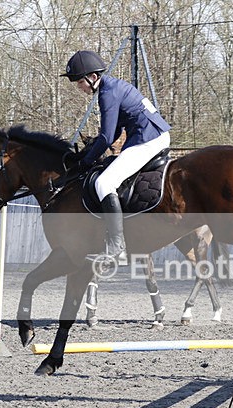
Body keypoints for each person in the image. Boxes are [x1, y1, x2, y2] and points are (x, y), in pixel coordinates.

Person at [61, 50, 171, 261]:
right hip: (152, 135)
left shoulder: (107, 93)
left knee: (104, 183)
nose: (79, 87)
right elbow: (116, 132)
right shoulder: (113, 86)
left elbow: (107, 136)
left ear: (92, 77)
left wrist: (86, 161)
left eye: (79, 82)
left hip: (148, 138)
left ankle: (117, 247)